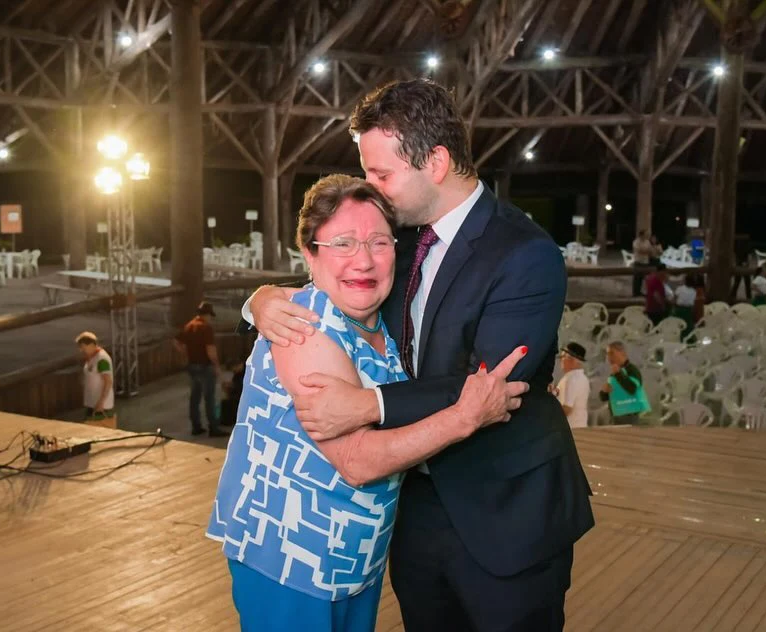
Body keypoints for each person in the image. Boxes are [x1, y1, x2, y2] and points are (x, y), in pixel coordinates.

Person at [243, 79, 594, 631]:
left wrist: (366, 406)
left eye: (382, 174)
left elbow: (485, 387)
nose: (374, 189)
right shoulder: (399, 238)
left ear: (435, 162)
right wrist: (259, 301)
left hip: (505, 511)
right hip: (414, 508)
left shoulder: (525, 253)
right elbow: (334, 278)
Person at [207, 175, 528, 632]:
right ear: (310, 255)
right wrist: (466, 417)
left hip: (354, 556)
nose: (363, 259)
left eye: (379, 241)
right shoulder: (304, 327)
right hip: (287, 559)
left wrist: (257, 297)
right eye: (342, 243)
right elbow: (356, 461)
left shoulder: (384, 318)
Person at [174, 301, 227, 437]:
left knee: (195, 397)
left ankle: (196, 426)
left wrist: (186, 354)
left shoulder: (189, 326)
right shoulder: (206, 328)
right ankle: (213, 428)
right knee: (209, 398)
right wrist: (216, 366)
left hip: (192, 366)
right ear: (208, 314)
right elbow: (210, 350)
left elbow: (176, 342)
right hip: (205, 366)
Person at [598, 342, 649, 425]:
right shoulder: (615, 372)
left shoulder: (632, 370)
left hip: (629, 417)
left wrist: (618, 374)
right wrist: (604, 392)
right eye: (607, 354)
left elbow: (632, 389)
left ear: (622, 353)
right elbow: (604, 398)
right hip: (615, 416)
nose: (608, 357)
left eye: (611, 353)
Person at [76, 331, 113, 421]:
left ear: (92, 344)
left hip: (101, 405)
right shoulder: (91, 357)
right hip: (91, 402)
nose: (81, 350)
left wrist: (101, 402)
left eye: (83, 347)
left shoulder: (102, 359)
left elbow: (108, 381)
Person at [555, 342, 590, 429]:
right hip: (579, 427)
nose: (561, 361)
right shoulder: (583, 378)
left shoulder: (572, 379)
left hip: (571, 429)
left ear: (571, 359)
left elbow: (567, 409)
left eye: (563, 357)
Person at [217, 360, 245, 426]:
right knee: (225, 402)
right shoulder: (237, 375)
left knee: (230, 402)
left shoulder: (243, 375)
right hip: (236, 394)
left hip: (240, 396)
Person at [673, 274, 697, 340]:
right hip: (688, 310)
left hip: (679, 309)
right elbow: (693, 303)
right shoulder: (694, 291)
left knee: (678, 326)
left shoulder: (680, 288)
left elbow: (674, 298)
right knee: (687, 327)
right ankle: (688, 340)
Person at [632, 230, 654, 296]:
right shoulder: (636, 242)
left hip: (645, 262)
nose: (646, 236)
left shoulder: (647, 242)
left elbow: (651, 251)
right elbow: (640, 251)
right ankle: (635, 293)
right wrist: (646, 251)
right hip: (638, 262)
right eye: (645, 234)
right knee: (637, 279)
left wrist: (647, 251)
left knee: (644, 279)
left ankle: (642, 292)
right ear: (641, 235)